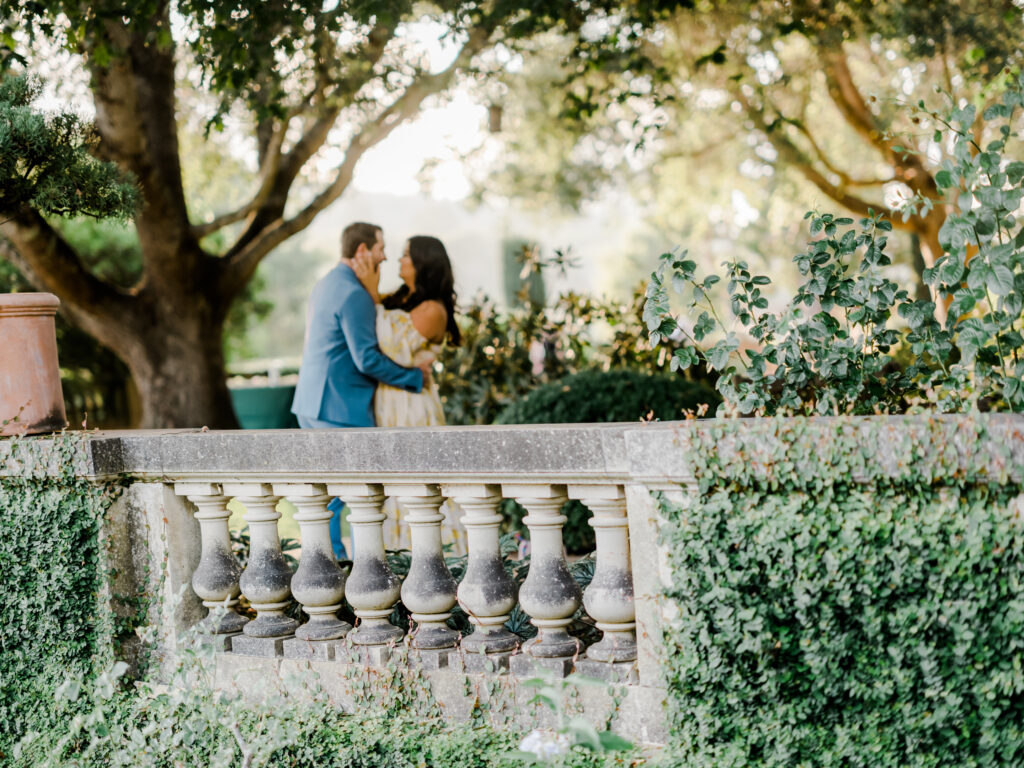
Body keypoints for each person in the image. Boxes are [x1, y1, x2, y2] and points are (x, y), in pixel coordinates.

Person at [291, 221, 433, 559]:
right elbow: (367, 359)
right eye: (380, 248)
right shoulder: (354, 293)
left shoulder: (326, 283)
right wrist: (414, 376)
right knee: (358, 494)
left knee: (328, 496)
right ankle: (355, 569)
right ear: (362, 251)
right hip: (339, 407)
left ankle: (331, 567)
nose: (384, 257)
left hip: (311, 403)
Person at [352, 235, 461, 428]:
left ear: (423, 262)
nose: (399, 260)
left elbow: (390, 346)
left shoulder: (433, 310)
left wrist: (372, 291)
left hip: (412, 406)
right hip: (389, 400)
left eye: (405, 255)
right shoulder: (400, 298)